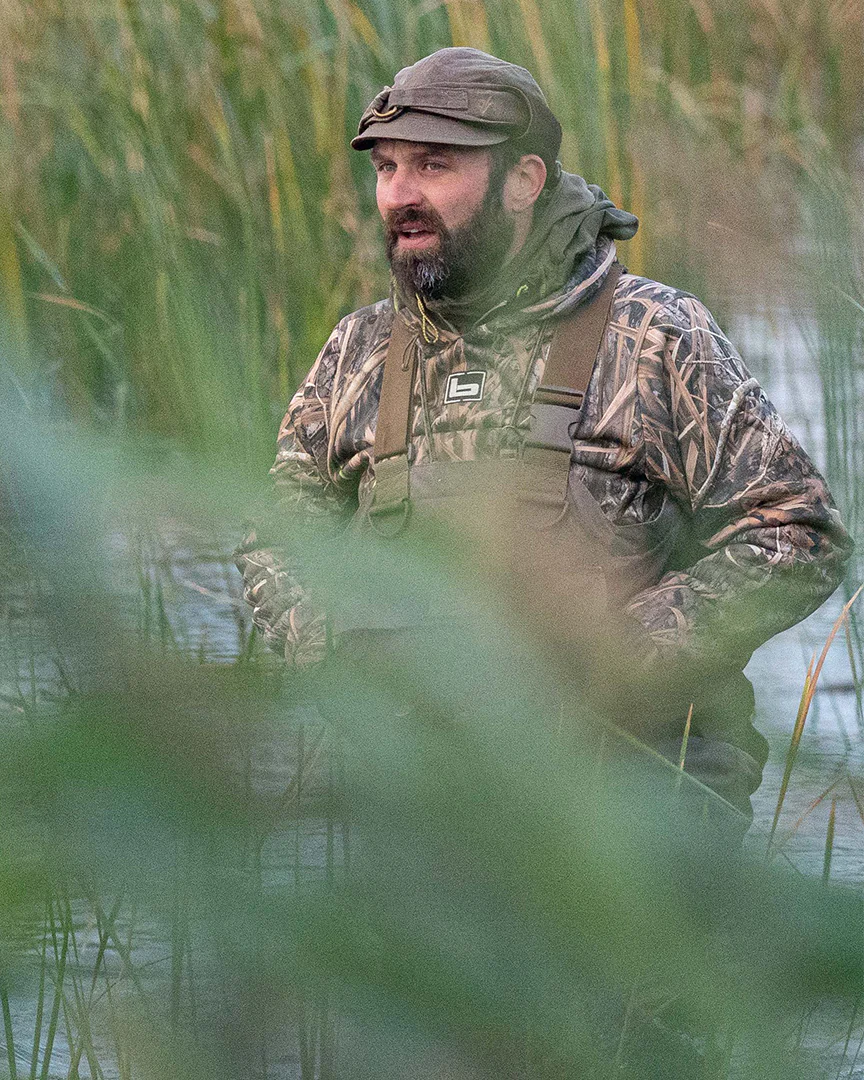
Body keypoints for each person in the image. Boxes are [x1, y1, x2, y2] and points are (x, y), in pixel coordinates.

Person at [236, 47, 852, 824]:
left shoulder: (656, 335)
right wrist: (338, 658)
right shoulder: (359, 349)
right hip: (420, 818)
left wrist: (612, 660)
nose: (400, 194)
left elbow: (797, 535)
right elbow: (275, 538)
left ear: (524, 181)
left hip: (637, 819)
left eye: (434, 165)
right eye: (387, 167)